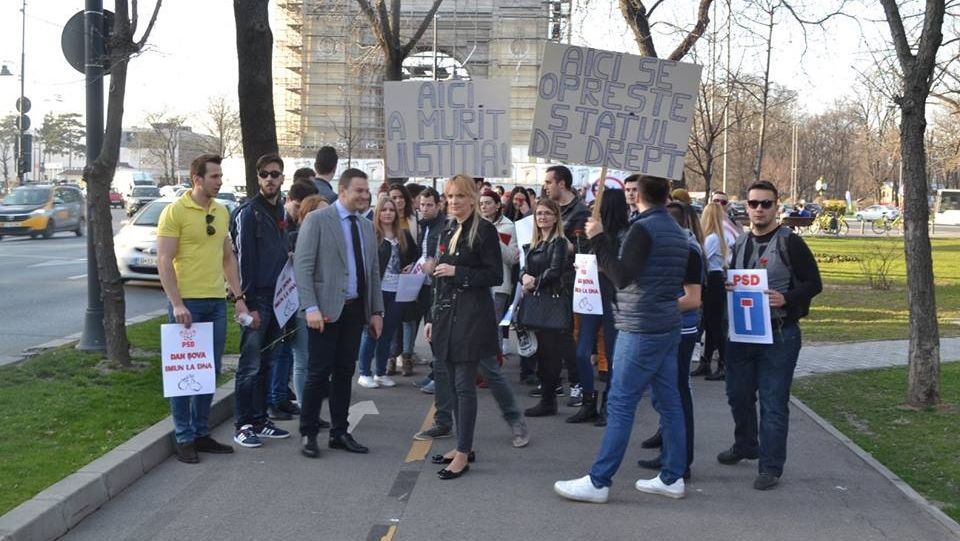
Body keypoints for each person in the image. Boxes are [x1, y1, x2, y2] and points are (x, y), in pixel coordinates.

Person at [554, 175, 689, 503]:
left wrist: (599, 240)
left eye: (632, 191)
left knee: (620, 402)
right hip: (665, 323)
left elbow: (621, 277)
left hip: (640, 326)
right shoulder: (676, 229)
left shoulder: (643, 229)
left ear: (639, 195)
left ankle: (599, 481)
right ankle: (672, 476)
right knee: (669, 401)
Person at [719, 180, 822, 491]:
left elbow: (814, 283)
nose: (759, 209)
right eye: (754, 204)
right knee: (737, 394)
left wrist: (787, 298)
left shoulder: (790, 242)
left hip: (779, 334)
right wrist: (730, 286)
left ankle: (770, 467)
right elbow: (733, 276)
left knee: (773, 403)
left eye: (766, 203)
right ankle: (746, 444)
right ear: (745, 207)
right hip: (743, 333)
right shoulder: (740, 243)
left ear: (777, 206)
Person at [157, 154, 248, 463]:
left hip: (214, 302)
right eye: (214, 176)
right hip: (188, 304)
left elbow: (227, 258)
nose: (220, 181)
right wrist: (177, 303)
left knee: (207, 371)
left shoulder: (222, 211)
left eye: (220, 176)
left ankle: (200, 432)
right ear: (197, 178)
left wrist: (239, 297)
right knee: (183, 373)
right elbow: (164, 260)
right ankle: (183, 437)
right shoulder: (175, 211)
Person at [294, 168, 385, 458]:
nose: (364, 195)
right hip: (324, 313)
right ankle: (308, 433)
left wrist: (376, 311)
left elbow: (371, 271)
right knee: (318, 374)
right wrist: (310, 307)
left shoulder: (367, 226)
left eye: (366, 190)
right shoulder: (318, 220)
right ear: (342, 191)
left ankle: (339, 432)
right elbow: (303, 268)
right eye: (359, 190)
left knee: (346, 372)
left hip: (355, 310)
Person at [422, 175, 504, 479]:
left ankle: (463, 451)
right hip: (447, 315)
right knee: (453, 385)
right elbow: (438, 282)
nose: (453, 201)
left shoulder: (484, 230)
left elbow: (494, 275)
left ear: (472, 198)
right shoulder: (449, 228)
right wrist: (431, 318)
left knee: (463, 385)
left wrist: (459, 271)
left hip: (472, 316)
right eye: (450, 196)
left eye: (459, 196)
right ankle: (461, 446)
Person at [230, 154, 294, 446]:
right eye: (265, 174)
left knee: (268, 361)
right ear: (258, 178)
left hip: (278, 298)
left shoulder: (280, 209)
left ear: (283, 178)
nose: (270, 179)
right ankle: (243, 423)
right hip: (257, 299)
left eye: (275, 174)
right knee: (250, 365)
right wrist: (245, 301)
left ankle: (259, 419)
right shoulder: (248, 212)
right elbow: (242, 259)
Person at [637, 202, 704, 478]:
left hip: (681, 327)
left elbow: (692, 299)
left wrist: (655, 305)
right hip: (667, 325)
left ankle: (681, 461)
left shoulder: (688, 250)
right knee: (665, 394)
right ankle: (670, 452)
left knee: (677, 395)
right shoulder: (679, 246)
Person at [568, 190, 628, 425]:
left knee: (613, 354)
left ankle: (609, 404)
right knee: (582, 351)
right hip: (591, 296)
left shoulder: (624, 234)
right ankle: (588, 400)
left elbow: (622, 269)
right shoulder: (590, 232)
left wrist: (602, 266)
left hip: (613, 298)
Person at [521, 198, 577, 417]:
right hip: (537, 300)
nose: (542, 217)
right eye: (539, 213)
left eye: (547, 213)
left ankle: (548, 400)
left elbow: (555, 270)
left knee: (551, 354)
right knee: (542, 352)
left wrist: (533, 281)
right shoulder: (535, 242)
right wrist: (524, 276)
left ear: (556, 218)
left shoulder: (559, 242)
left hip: (552, 301)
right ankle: (547, 398)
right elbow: (525, 268)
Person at [356, 196, 419, 388]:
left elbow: (414, 257)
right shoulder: (370, 234)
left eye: (391, 210)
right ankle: (364, 372)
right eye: (384, 210)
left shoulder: (404, 235)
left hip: (398, 290)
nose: (388, 213)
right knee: (372, 332)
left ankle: (380, 372)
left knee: (388, 333)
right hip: (377, 290)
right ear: (378, 212)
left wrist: (410, 267)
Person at [410, 188, 446, 400]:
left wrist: (436, 264)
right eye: (422, 205)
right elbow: (422, 254)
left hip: (437, 285)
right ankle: (435, 373)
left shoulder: (442, 227)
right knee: (429, 332)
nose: (424, 209)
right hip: (422, 284)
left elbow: (443, 256)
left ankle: (440, 377)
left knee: (437, 334)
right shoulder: (425, 225)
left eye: (429, 205)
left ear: (438, 205)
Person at [692, 202, 731, 380]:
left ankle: (723, 363)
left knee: (714, 325)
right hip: (714, 280)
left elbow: (703, 259)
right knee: (709, 323)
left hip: (712, 280)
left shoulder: (711, 238)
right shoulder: (717, 237)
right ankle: (706, 361)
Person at [480, 189, 519, 354]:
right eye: (481, 203)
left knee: (493, 322)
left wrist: (494, 238)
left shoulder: (508, 227)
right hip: (479, 280)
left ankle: (494, 359)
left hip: (499, 283)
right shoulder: (477, 223)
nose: (484, 207)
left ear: (497, 206)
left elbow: (512, 258)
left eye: (488, 203)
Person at [386, 183, 419, 377]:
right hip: (389, 282)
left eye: (400, 198)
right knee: (393, 321)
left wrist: (412, 267)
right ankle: (391, 357)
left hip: (408, 281)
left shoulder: (411, 225)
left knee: (408, 319)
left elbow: (416, 253)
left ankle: (407, 357)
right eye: (393, 198)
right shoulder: (379, 228)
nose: (397, 202)